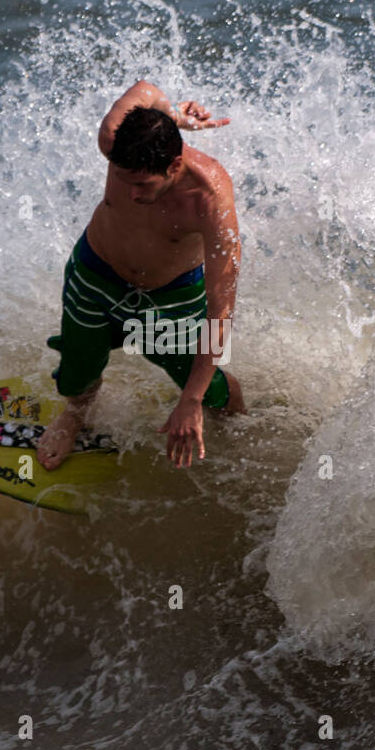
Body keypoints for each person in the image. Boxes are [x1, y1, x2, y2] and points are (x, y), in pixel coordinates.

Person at [37, 79, 244, 471]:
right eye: (123, 179)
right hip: (95, 275)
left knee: (209, 391)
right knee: (76, 376)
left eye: (143, 185)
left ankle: (238, 430)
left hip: (169, 298)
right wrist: (174, 116)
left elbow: (220, 313)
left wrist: (190, 401)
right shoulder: (114, 140)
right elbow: (145, 89)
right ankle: (76, 415)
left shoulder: (210, 199)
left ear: (175, 165)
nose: (131, 195)